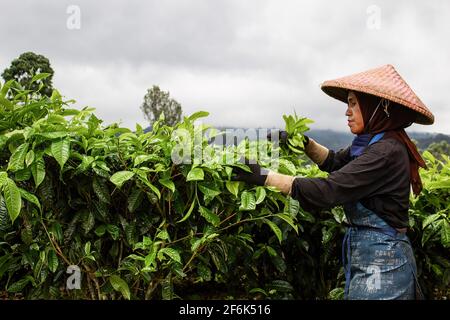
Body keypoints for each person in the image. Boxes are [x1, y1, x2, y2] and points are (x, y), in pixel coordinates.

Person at [233, 64, 434, 300]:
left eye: (353, 103)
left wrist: (262, 175)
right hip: (371, 253)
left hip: (383, 261)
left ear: (380, 107)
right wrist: (304, 143)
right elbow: (336, 161)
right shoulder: (374, 142)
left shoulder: (385, 151)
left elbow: (330, 190)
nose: (347, 112)